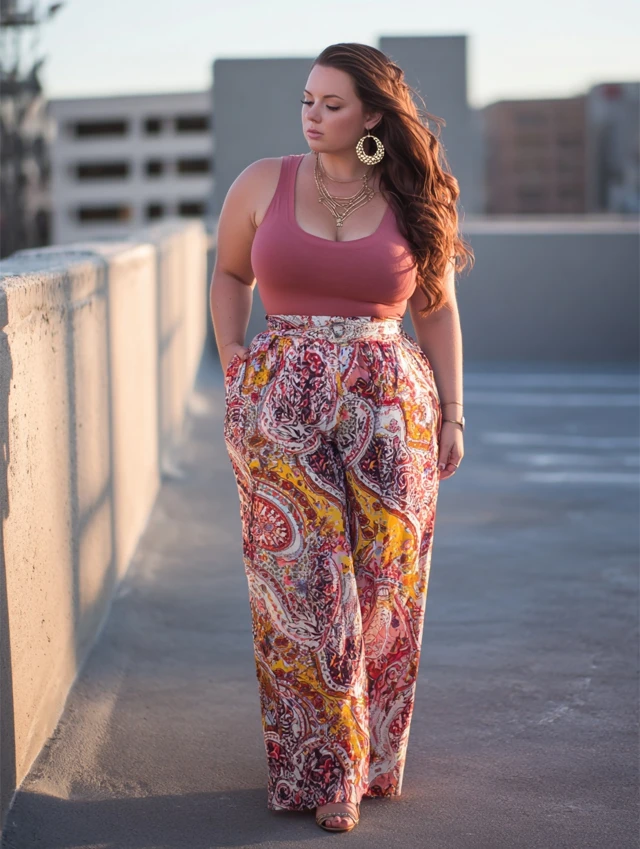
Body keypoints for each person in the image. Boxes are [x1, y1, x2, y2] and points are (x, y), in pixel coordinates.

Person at [209, 42, 474, 833]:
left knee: (386, 585)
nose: (313, 115)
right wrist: (233, 358)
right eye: (307, 100)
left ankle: (371, 753)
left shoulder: (411, 195)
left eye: (332, 104)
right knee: (307, 588)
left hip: (391, 407)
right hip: (281, 405)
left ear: (371, 117)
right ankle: (329, 771)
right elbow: (230, 274)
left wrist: (454, 412)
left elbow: (437, 310)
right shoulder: (262, 182)